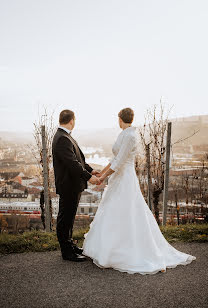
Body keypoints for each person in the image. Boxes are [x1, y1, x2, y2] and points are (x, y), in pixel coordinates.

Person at [82, 107, 196, 274]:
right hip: (118, 177)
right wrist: (101, 173)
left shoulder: (130, 136)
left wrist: (102, 178)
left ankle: (126, 249)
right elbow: (114, 159)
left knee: (127, 210)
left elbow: (120, 161)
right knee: (113, 209)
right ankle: (107, 246)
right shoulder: (123, 134)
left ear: (120, 118)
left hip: (125, 179)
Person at [52, 109, 100, 262]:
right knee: (65, 218)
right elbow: (72, 164)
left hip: (72, 185)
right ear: (72, 120)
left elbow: (79, 161)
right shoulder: (62, 138)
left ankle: (70, 245)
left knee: (69, 217)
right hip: (68, 185)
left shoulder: (65, 136)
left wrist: (92, 170)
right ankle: (66, 252)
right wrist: (89, 177)